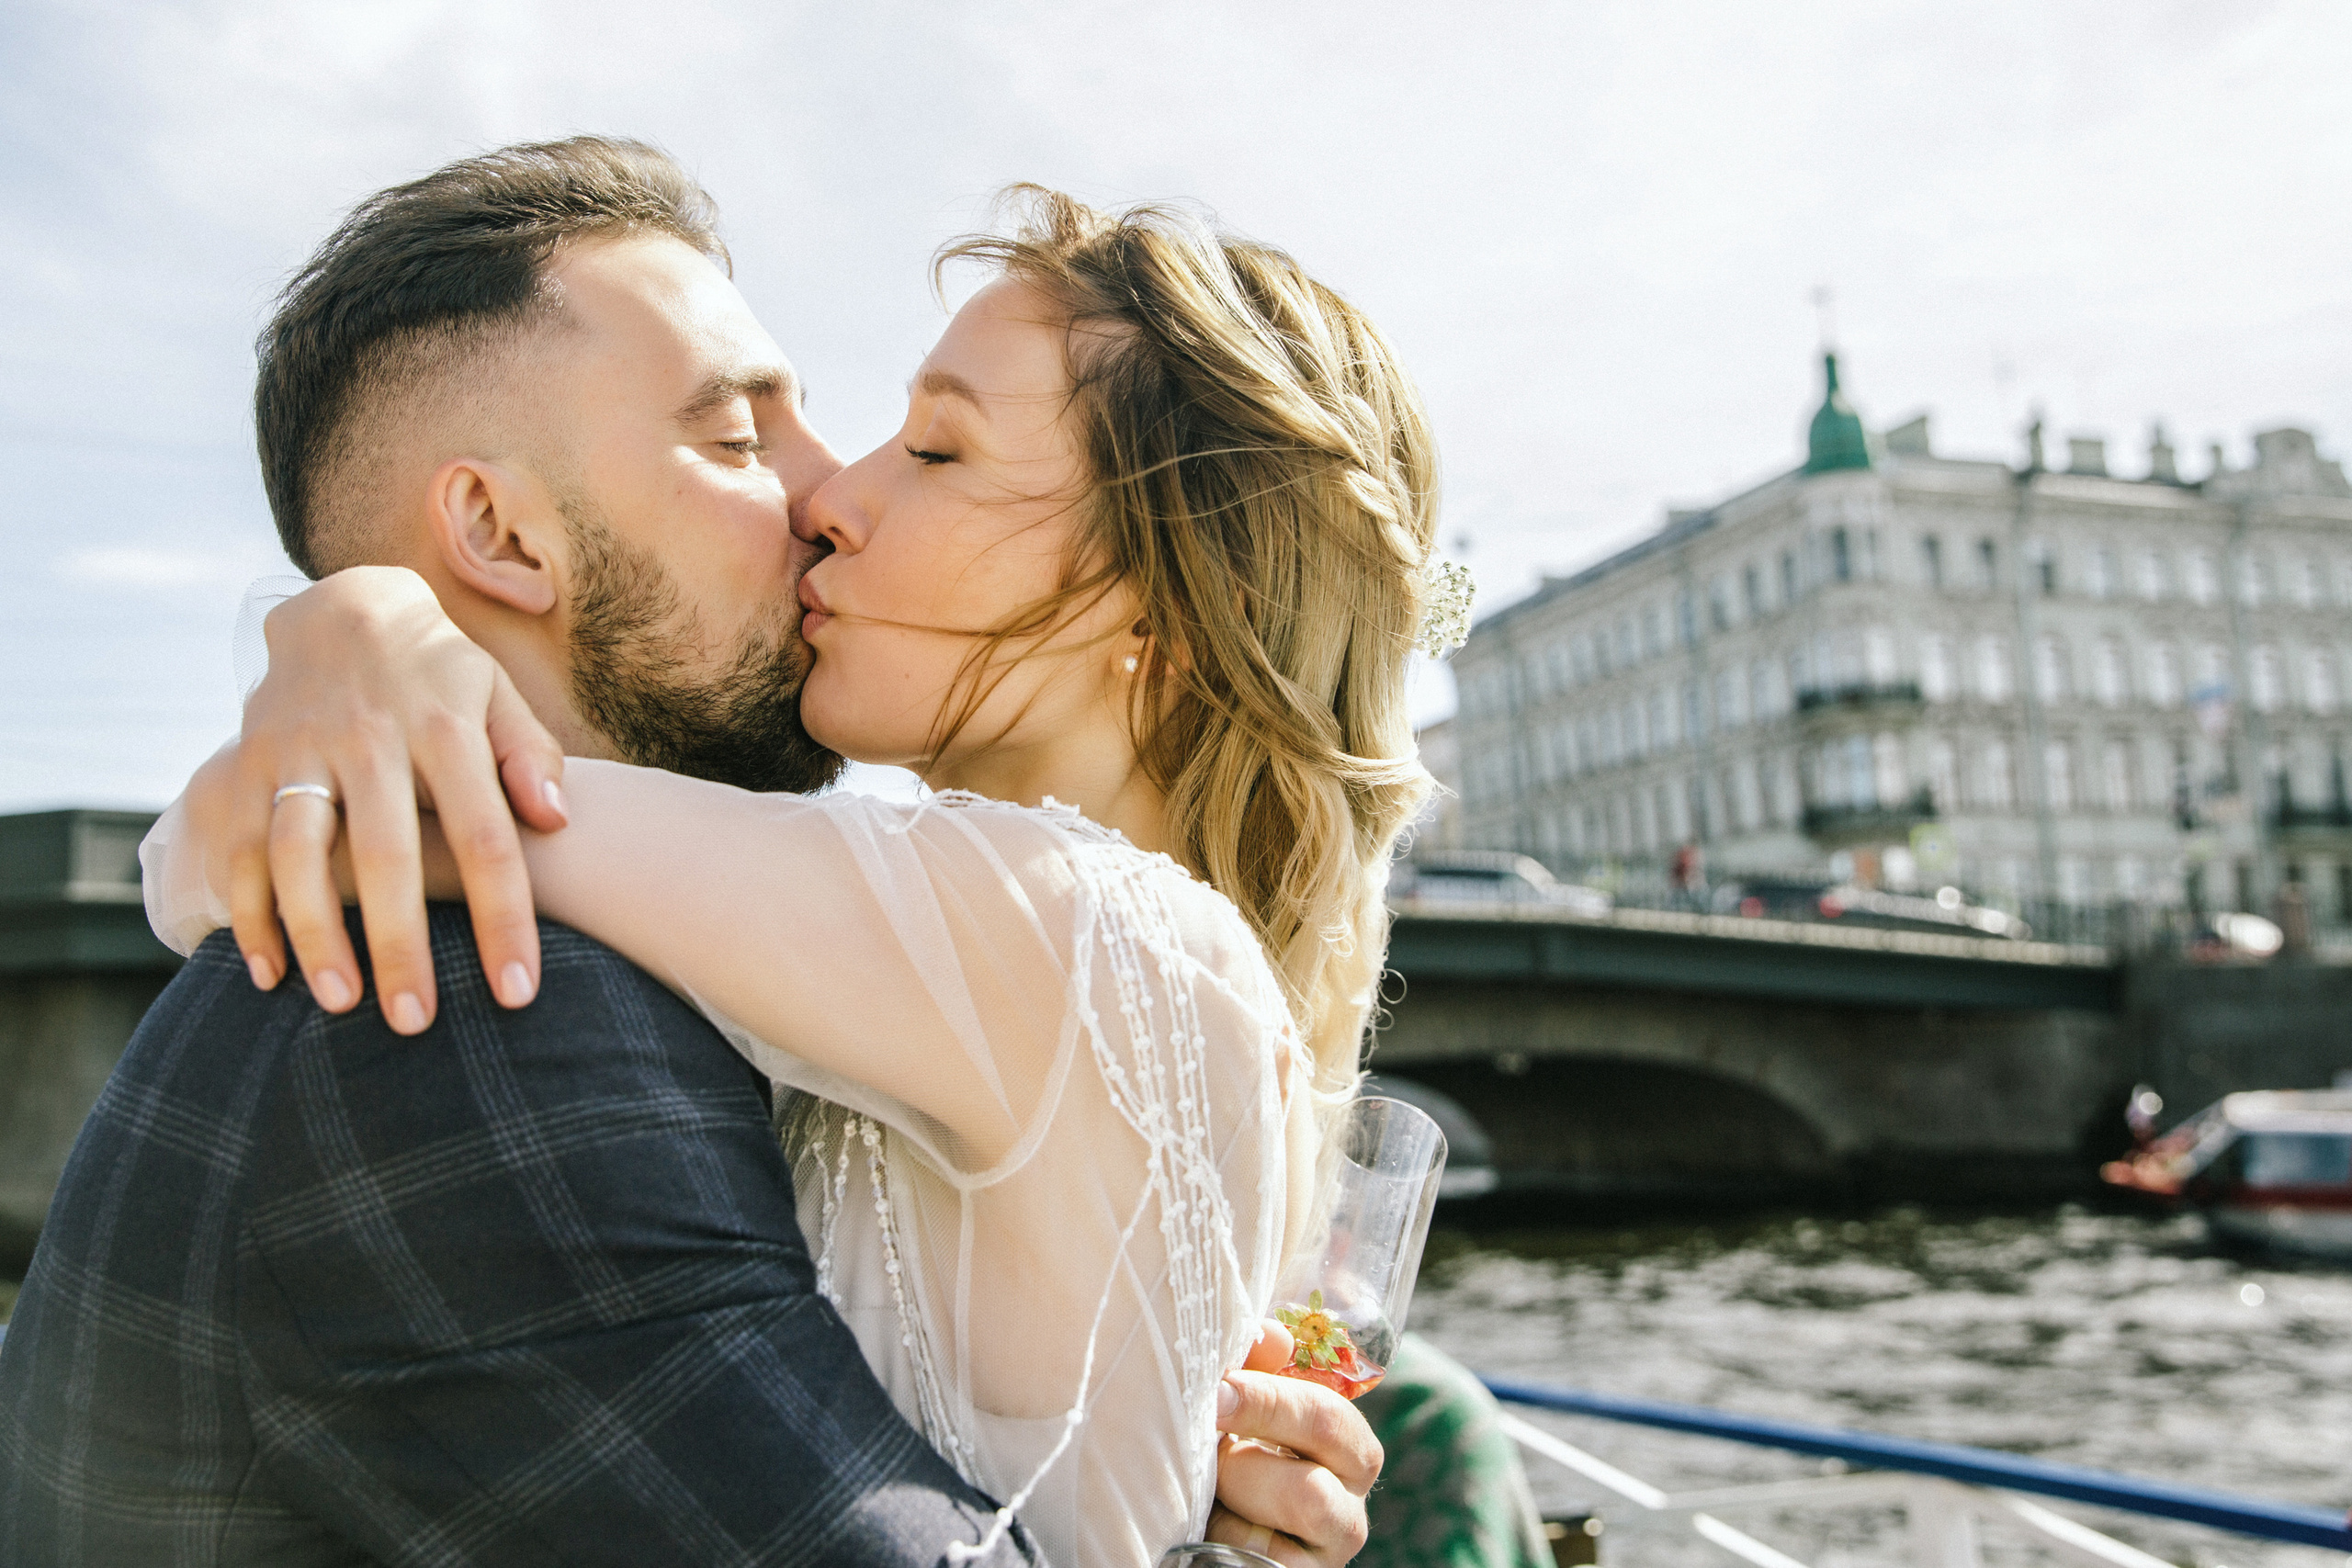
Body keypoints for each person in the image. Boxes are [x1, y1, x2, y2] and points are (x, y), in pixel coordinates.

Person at [0, 139, 1378, 1567]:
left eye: (934, 450)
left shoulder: (1034, 928)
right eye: (735, 441)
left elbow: (195, 862)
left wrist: (344, 642)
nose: (825, 494)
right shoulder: (470, 1012)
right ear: (499, 532)